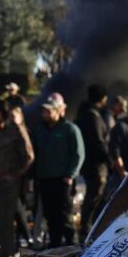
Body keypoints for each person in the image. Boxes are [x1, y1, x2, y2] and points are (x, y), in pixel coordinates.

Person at [0, 102, 34, 257]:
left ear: (0, 113)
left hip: (9, 183)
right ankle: (3, 251)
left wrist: (15, 175)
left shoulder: (15, 130)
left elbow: (29, 156)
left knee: (7, 219)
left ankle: (9, 253)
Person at [32, 93, 84, 248]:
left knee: (65, 216)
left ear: (58, 111)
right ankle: (55, 247)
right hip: (44, 179)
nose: (45, 114)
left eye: (49, 111)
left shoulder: (70, 129)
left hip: (62, 180)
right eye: (44, 111)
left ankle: (72, 247)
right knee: (50, 215)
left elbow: (78, 154)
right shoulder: (39, 130)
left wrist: (70, 175)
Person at [76, 84, 110, 237]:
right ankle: (87, 232)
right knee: (94, 199)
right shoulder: (93, 117)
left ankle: (88, 230)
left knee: (93, 199)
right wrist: (109, 160)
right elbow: (98, 143)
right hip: (96, 166)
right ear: (102, 98)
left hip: (91, 165)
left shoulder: (86, 114)